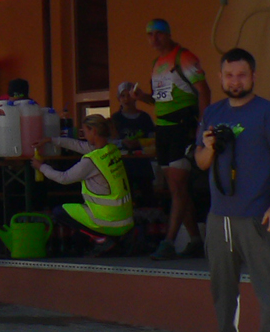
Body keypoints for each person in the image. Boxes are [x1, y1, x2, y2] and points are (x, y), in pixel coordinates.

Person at [192, 48, 270, 332]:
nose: (235, 81)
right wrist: (209, 147)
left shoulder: (268, 112)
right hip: (220, 214)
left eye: (241, 75)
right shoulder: (212, 112)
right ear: (220, 78)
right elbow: (200, 162)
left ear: (253, 77)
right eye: (229, 75)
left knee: (266, 285)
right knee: (222, 285)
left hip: (258, 214)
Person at [132, 19, 211, 260]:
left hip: (181, 127)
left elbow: (204, 91)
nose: (154, 39)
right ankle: (195, 240)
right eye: (150, 34)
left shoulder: (183, 57)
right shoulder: (156, 63)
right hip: (163, 129)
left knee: (178, 186)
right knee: (176, 188)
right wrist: (143, 97)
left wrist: (202, 126)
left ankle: (168, 242)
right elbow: (160, 100)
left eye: (158, 33)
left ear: (168, 34)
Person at [33, 115, 133, 256]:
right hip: (125, 220)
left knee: (59, 212)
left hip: (108, 220)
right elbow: (77, 145)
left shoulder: (90, 161)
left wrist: (41, 167)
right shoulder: (111, 150)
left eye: (85, 132)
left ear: (93, 131)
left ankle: (102, 239)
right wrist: (50, 140)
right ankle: (115, 238)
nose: (84, 136)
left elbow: (64, 178)